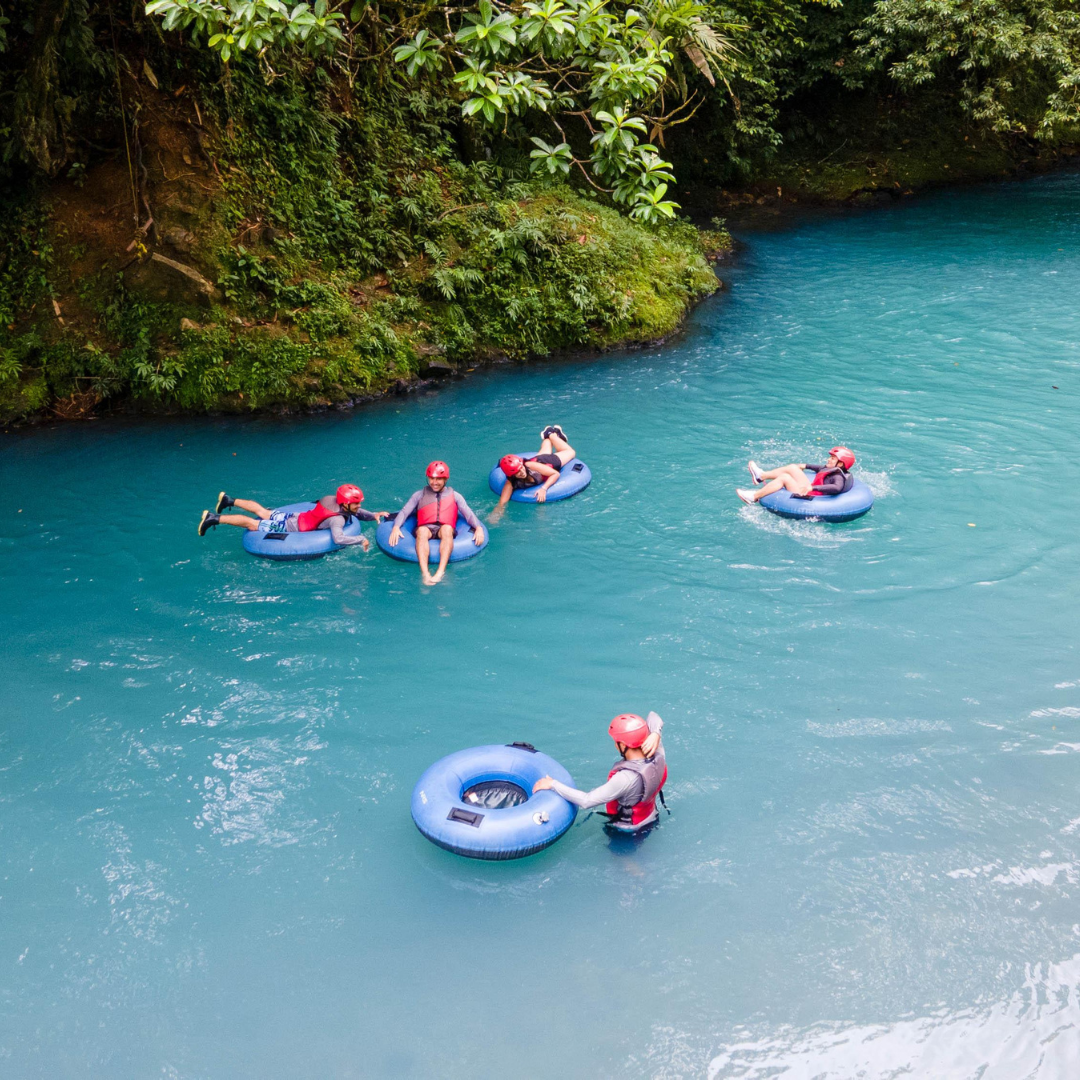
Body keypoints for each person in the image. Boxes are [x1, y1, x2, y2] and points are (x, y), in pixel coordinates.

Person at [533, 712, 668, 833]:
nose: (615, 745)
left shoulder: (625, 778)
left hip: (628, 830)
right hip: (652, 816)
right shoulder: (658, 752)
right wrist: (656, 733)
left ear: (623, 745)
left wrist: (552, 784)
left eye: (616, 742)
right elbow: (653, 715)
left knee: (622, 859)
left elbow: (587, 801)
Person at [197, 484, 388, 550]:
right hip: (292, 527)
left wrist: (373, 515)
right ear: (346, 504)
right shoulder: (337, 520)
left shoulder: (331, 499)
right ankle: (213, 518)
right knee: (253, 523)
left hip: (297, 516)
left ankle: (228, 501)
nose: (359, 506)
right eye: (357, 503)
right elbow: (338, 538)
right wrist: (360, 538)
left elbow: (356, 513)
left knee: (263, 512)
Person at [387, 461, 485, 585]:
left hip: (445, 527)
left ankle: (440, 572)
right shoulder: (419, 495)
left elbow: (468, 513)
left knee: (447, 529)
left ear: (445, 479)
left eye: (438, 479)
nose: (434, 482)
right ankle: (425, 573)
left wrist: (478, 528)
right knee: (422, 531)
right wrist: (396, 527)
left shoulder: (455, 496)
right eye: (431, 478)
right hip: (426, 527)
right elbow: (405, 512)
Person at [490, 425, 576, 519]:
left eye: (521, 468)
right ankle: (547, 435)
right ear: (512, 475)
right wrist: (496, 514)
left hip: (548, 463)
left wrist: (544, 488)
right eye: (517, 472)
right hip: (537, 460)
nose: (522, 472)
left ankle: (552, 434)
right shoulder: (510, 482)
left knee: (571, 452)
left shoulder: (529, 466)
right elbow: (502, 503)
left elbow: (555, 474)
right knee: (545, 449)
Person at [736, 445, 857, 505]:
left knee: (784, 478)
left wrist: (811, 488)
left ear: (840, 463)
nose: (828, 460)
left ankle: (754, 497)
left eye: (832, 458)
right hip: (812, 490)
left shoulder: (838, 476)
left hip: (810, 495)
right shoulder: (832, 468)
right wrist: (805, 465)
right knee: (793, 468)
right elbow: (820, 468)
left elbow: (837, 488)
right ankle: (761, 476)